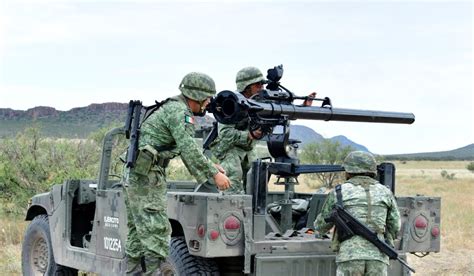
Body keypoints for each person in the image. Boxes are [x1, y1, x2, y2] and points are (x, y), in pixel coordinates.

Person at [124, 72, 231, 275]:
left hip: (139, 175)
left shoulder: (173, 107)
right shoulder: (179, 112)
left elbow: (186, 149)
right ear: (196, 96)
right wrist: (214, 175)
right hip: (145, 178)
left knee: (137, 236)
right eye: (206, 98)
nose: (208, 103)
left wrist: (211, 166)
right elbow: (189, 148)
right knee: (156, 234)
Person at [210, 66, 316, 194]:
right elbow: (225, 134)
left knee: (258, 177)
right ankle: (231, 209)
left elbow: (281, 111)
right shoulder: (231, 102)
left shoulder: (261, 101)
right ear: (246, 86)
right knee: (234, 174)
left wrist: (303, 106)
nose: (262, 88)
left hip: (247, 149)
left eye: (262, 84)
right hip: (228, 148)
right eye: (258, 85)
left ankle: (254, 210)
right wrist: (250, 135)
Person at [314, 151, 401, 276]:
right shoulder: (385, 192)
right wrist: (387, 239)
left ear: (348, 171)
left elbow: (321, 225)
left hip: (349, 256)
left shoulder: (338, 192)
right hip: (378, 256)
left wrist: (319, 231)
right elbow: (395, 225)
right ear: (372, 170)